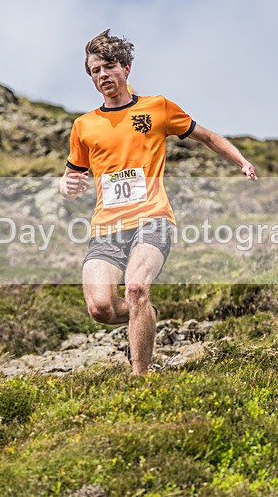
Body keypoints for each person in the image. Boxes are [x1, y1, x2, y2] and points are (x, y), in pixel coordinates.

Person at [59, 29, 258, 375]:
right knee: (101, 308)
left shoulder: (157, 108)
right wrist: (67, 185)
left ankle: (140, 379)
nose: (102, 75)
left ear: (126, 68)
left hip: (153, 218)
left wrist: (241, 161)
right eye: (95, 71)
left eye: (108, 67)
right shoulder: (84, 125)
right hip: (106, 226)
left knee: (136, 288)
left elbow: (208, 136)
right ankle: (144, 314)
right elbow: (71, 174)